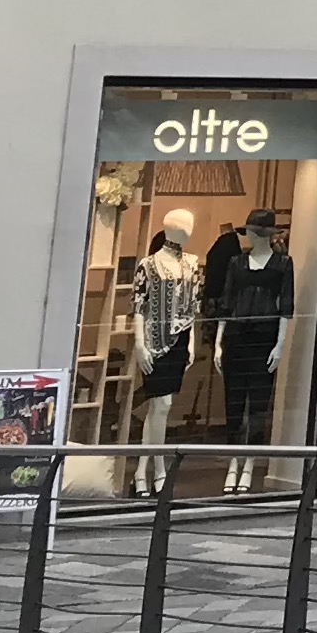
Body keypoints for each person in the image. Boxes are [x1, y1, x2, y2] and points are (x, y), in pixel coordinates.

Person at [204, 209, 298, 444]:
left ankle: (251, 458)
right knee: (233, 399)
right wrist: (219, 343)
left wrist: (280, 344)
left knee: (259, 401)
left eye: (255, 232)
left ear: (265, 234)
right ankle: (233, 456)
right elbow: (227, 303)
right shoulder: (236, 263)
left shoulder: (282, 264)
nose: (251, 236)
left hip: (264, 339)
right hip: (235, 337)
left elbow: (286, 306)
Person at [129, 209, 203, 494]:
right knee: (161, 405)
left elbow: (192, 306)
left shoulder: (192, 264)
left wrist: (192, 341)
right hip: (153, 341)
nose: (188, 229)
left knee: (159, 407)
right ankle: (159, 469)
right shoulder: (148, 265)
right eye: (183, 225)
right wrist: (139, 344)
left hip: (180, 339)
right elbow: (139, 305)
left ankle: (140, 472)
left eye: (190, 224)